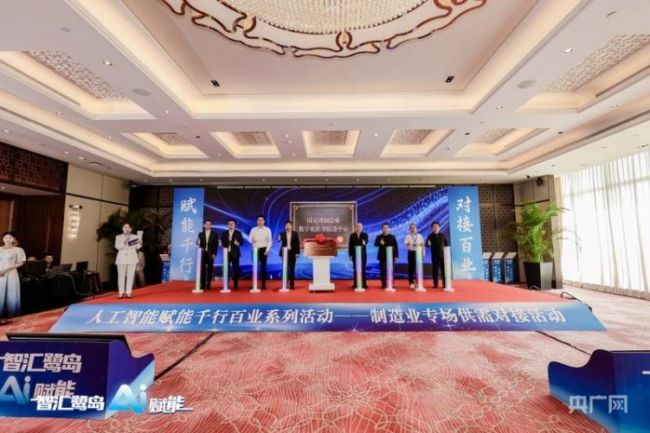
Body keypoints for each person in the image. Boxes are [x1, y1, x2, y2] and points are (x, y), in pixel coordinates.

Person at [0, 232, 26, 324]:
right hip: (0, 273)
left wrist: (6, 269)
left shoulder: (18, 250)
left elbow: (21, 262)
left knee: (11, 293)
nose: (7, 239)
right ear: (3, 239)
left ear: (13, 239)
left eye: (10, 237)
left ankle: (11, 317)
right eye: (5, 237)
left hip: (11, 273)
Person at [115, 223, 142, 298]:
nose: (127, 228)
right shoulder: (118, 237)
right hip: (121, 259)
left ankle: (128, 292)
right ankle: (121, 292)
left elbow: (138, 247)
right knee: (121, 276)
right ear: (123, 228)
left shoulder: (135, 236)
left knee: (130, 276)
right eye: (125, 227)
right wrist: (124, 242)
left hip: (132, 258)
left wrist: (140, 243)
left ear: (131, 229)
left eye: (128, 227)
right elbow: (117, 247)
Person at [249, 215, 272, 289]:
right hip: (255, 250)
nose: (260, 221)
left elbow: (270, 241)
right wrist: (252, 240)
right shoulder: (253, 229)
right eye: (258, 220)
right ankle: (254, 284)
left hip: (264, 249)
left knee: (263, 268)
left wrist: (267, 250)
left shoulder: (267, 230)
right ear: (257, 221)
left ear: (264, 221)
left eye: (261, 220)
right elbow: (250, 238)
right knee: (254, 268)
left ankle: (263, 284)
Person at [221, 219, 243, 290]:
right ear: (227, 225)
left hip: (235, 253)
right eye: (229, 224)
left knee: (235, 270)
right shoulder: (224, 233)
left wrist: (237, 243)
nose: (230, 225)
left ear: (234, 225)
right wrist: (221, 244)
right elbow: (222, 242)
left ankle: (235, 285)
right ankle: (226, 285)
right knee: (226, 269)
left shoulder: (238, 233)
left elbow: (241, 243)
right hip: (226, 254)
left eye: (232, 224)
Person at [374, 223, 398, 289]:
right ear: (382, 229)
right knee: (383, 271)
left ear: (389, 229)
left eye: (387, 228)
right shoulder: (379, 237)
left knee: (391, 270)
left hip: (391, 256)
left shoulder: (392, 237)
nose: (385, 229)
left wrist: (396, 256)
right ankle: (383, 284)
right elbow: (375, 244)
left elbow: (396, 246)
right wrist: (379, 243)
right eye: (384, 228)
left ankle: (391, 283)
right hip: (382, 256)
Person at [196, 219, 218, 290]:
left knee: (210, 270)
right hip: (202, 254)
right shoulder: (200, 234)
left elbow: (216, 245)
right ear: (204, 225)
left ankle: (208, 284)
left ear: (211, 225)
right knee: (202, 270)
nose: (208, 225)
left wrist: (214, 254)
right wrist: (197, 242)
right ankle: (202, 284)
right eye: (206, 224)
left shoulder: (214, 234)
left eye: (209, 224)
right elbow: (198, 243)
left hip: (211, 254)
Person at [426, 221, 449, 288]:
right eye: (434, 227)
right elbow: (426, 244)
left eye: (437, 226)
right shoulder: (430, 236)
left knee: (444, 270)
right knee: (435, 270)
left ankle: (445, 284)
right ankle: (435, 284)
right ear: (432, 228)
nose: (435, 228)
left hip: (443, 255)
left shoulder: (443, 235)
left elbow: (446, 245)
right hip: (434, 256)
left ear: (439, 228)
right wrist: (428, 244)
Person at [278, 220, 300, 289]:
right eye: (286, 225)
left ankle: (292, 284)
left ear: (292, 226)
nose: (288, 226)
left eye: (289, 225)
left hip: (292, 253)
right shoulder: (282, 234)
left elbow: (297, 244)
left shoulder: (295, 233)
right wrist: (279, 238)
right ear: (285, 227)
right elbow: (278, 240)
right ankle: (285, 284)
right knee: (285, 269)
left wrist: (297, 253)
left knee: (292, 269)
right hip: (284, 253)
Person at [404, 223, 425, 289]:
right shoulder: (407, 236)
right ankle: (411, 283)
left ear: (416, 228)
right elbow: (405, 243)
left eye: (414, 227)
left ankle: (418, 282)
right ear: (409, 229)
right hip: (411, 253)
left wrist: (423, 254)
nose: (412, 229)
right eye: (411, 228)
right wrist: (407, 243)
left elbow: (423, 245)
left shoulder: (420, 236)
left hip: (419, 253)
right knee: (411, 268)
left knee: (419, 268)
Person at [348, 222, 368, 289]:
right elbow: (350, 245)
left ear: (362, 228)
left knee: (363, 269)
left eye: (359, 226)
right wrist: (350, 255)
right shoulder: (352, 235)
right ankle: (355, 284)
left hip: (363, 255)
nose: (358, 228)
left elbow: (366, 241)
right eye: (357, 226)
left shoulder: (365, 234)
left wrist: (364, 242)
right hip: (354, 255)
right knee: (356, 269)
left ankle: (364, 284)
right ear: (355, 227)